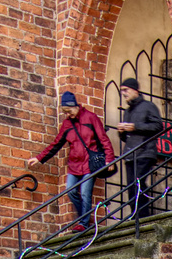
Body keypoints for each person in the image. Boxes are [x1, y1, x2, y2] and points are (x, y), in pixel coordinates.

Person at [27, 91, 114, 232]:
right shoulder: (67, 124)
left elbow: (104, 139)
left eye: (69, 111)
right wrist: (39, 158)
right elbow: (56, 144)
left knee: (85, 193)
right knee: (70, 190)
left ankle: (84, 223)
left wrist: (110, 159)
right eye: (65, 112)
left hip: (89, 164)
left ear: (75, 106)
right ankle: (83, 217)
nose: (68, 114)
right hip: (74, 165)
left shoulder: (90, 118)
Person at [117, 78, 165, 219]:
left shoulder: (148, 106)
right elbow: (126, 137)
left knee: (138, 184)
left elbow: (158, 127)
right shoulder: (127, 111)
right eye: (122, 91)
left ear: (135, 90)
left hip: (145, 151)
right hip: (130, 153)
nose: (124, 94)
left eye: (126, 90)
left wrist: (135, 127)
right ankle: (135, 216)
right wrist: (122, 132)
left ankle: (142, 216)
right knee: (131, 187)